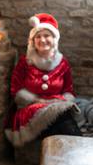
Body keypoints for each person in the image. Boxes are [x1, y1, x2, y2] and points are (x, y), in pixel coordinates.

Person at [5, 13, 82, 148]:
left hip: (58, 106)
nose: (42, 40)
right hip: (30, 110)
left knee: (61, 120)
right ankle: (78, 149)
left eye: (47, 36)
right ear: (33, 41)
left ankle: (68, 152)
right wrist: (37, 101)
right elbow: (15, 90)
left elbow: (69, 91)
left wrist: (61, 102)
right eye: (38, 37)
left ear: (54, 39)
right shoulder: (25, 62)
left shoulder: (62, 63)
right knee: (64, 123)